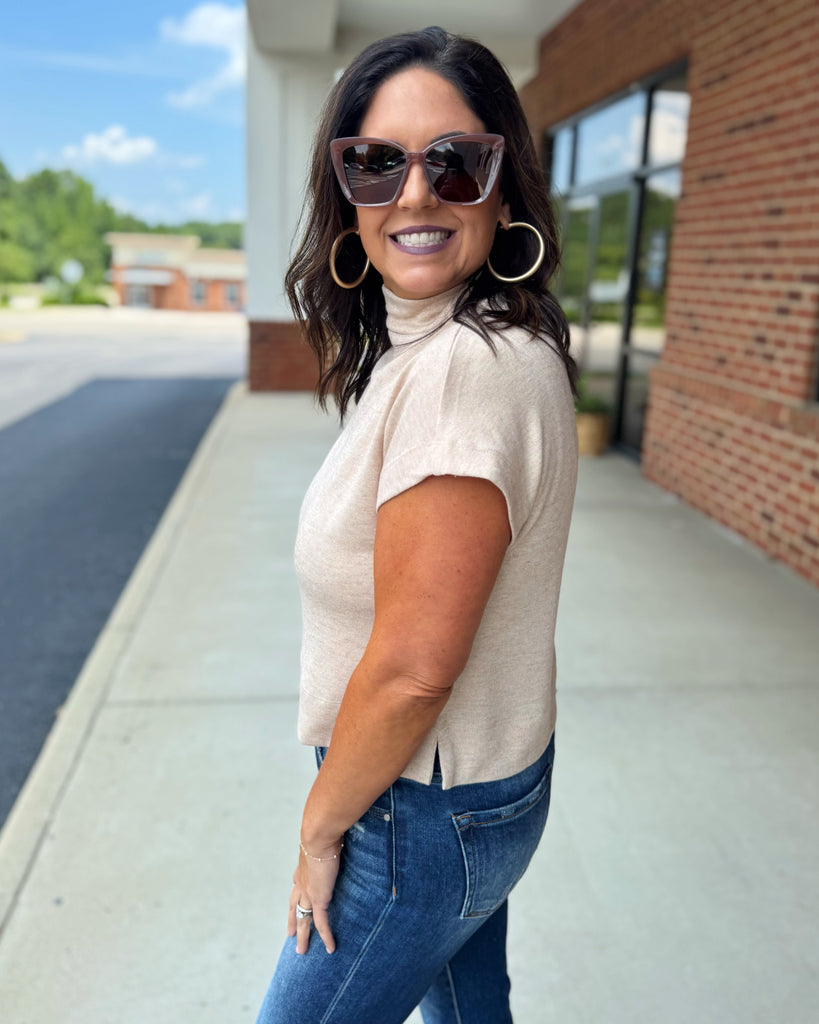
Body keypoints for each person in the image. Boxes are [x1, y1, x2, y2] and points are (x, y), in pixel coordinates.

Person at [255, 25, 579, 1024]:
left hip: (412, 814)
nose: (414, 193)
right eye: (375, 162)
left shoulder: (461, 375)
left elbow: (410, 672)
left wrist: (319, 830)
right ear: (345, 191)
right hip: (475, 792)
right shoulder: (464, 347)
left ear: (504, 186)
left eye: (455, 162)